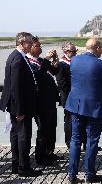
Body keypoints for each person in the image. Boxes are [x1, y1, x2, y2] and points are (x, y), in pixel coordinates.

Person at [65, 38, 102, 183]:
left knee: (75, 140)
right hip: (93, 107)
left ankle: (72, 174)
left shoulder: (74, 61)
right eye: (101, 48)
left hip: (75, 106)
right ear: (97, 48)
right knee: (92, 141)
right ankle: (89, 174)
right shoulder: (100, 64)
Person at [0, 32, 42, 177]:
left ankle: (16, 165)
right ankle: (24, 167)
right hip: (20, 106)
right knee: (23, 136)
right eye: (29, 43)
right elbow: (15, 87)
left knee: (16, 135)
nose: (31, 45)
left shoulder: (17, 56)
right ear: (22, 43)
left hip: (17, 105)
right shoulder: (18, 59)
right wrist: (19, 111)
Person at [26, 36, 60, 165]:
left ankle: (49, 152)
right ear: (30, 48)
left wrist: (55, 63)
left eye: (40, 45)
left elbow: (52, 71)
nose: (40, 48)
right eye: (37, 46)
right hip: (40, 101)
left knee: (52, 127)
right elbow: (38, 76)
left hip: (50, 100)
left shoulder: (40, 60)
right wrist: (46, 59)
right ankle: (40, 156)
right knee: (43, 130)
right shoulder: (29, 62)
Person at [55, 41, 87, 149]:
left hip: (79, 96)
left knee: (81, 119)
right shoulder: (61, 64)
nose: (75, 53)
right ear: (65, 51)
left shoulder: (76, 62)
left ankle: (82, 141)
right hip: (68, 97)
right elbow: (61, 84)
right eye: (72, 51)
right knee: (69, 120)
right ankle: (69, 143)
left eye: (75, 51)